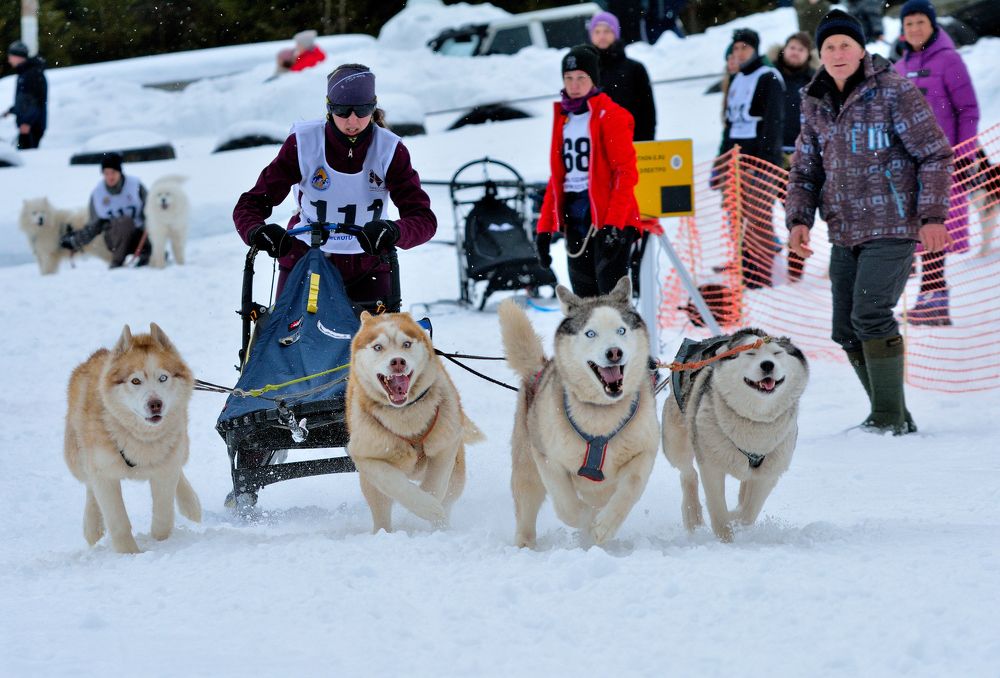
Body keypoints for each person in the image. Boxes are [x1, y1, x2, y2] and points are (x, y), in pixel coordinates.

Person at [786, 10, 954, 435]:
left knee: (871, 313)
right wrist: (798, 220)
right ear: (820, 55)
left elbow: (934, 153)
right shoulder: (815, 101)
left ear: (862, 49)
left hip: (894, 225)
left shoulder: (894, 91)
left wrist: (933, 216)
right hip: (844, 228)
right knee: (845, 328)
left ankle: (886, 419)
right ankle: (895, 416)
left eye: (846, 45)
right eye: (829, 47)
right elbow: (805, 169)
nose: (838, 53)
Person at [233, 64, 436, 310]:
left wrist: (394, 230)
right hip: (307, 258)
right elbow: (250, 204)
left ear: (373, 107)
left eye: (362, 110)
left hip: (368, 264)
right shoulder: (304, 143)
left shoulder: (390, 150)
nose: (352, 121)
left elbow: (423, 219)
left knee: (380, 345)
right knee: (287, 340)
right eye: (342, 111)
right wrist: (257, 231)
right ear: (329, 109)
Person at [535, 45, 649, 298]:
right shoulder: (563, 118)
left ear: (593, 80)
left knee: (611, 301)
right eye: (568, 78)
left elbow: (625, 172)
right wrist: (543, 229)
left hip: (608, 215)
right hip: (575, 214)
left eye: (581, 78)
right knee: (584, 302)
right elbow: (557, 179)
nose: (574, 85)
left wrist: (614, 224)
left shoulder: (611, 116)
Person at [894, 0, 980, 325]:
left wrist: (964, 155)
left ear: (933, 25)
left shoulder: (949, 59)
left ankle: (935, 300)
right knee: (914, 231)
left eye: (920, 22)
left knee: (934, 230)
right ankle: (927, 300)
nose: (914, 28)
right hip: (907, 165)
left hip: (940, 162)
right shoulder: (900, 67)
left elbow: (968, 110)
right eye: (909, 23)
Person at [717, 28, 785, 288]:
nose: (740, 52)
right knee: (737, 216)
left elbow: (773, 122)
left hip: (759, 161)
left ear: (755, 49)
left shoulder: (767, 77)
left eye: (745, 47)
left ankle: (761, 272)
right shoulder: (737, 79)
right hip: (736, 161)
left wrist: (764, 163)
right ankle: (746, 265)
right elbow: (730, 125)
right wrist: (723, 161)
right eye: (736, 48)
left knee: (759, 218)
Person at [774, 31, 816, 281]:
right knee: (757, 213)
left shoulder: (814, 81)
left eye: (800, 49)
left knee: (796, 214)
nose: (795, 52)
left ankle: (795, 268)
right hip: (771, 155)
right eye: (792, 47)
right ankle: (756, 264)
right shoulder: (771, 77)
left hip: (802, 157)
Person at [61, 153, 152, 267]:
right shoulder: (98, 194)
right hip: (115, 238)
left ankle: (150, 254)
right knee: (124, 222)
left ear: (120, 172)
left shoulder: (135, 186)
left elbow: (151, 209)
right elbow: (94, 226)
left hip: (140, 234)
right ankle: (117, 262)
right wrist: (76, 241)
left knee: (150, 225)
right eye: (106, 173)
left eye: (113, 172)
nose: (110, 177)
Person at [588, 11, 656, 142]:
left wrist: (646, 144)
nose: (602, 36)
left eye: (607, 31)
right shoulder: (585, 72)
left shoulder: (635, 69)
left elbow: (647, 113)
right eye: (597, 32)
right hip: (596, 146)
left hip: (630, 142)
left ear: (616, 33)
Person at [3, 40, 47, 150]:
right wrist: (12, 110)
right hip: (28, 125)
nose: (9, 59)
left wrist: (27, 122)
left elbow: (35, 100)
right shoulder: (25, 73)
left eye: (10, 56)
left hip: (30, 126)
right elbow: (24, 100)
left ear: (18, 56)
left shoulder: (32, 74)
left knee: (28, 159)